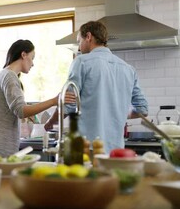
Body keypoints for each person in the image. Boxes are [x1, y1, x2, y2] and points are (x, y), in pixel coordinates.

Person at [44, 21, 148, 153]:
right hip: (115, 151)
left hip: (87, 149)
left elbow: (68, 104)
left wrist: (51, 123)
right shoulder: (128, 69)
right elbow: (142, 109)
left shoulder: (81, 62)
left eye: (79, 41)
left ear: (88, 36)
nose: (79, 47)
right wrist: (114, 113)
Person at [0, 39, 75, 159]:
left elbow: (15, 109)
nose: (33, 63)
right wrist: (54, 101)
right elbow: (21, 111)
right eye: (32, 58)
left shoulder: (3, 74)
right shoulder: (9, 76)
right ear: (23, 54)